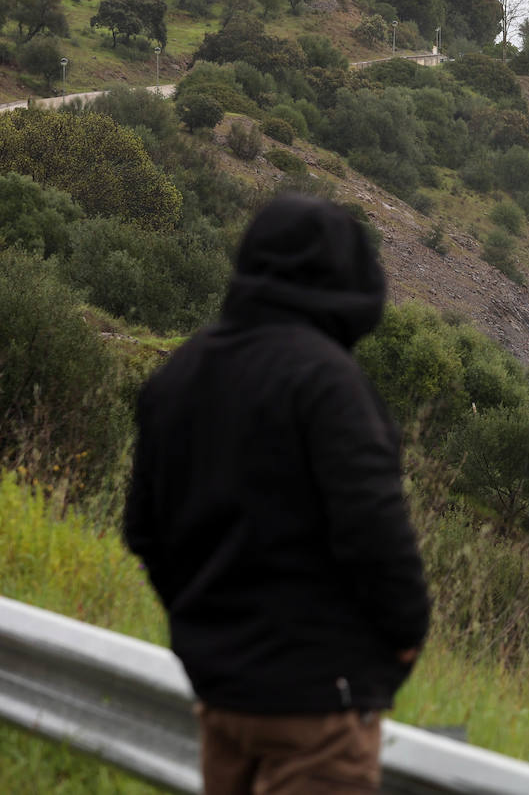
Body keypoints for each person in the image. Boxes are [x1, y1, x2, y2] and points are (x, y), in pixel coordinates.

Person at [126, 194, 431, 794]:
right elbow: (373, 528)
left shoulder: (181, 372)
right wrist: (405, 635)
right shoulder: (327, 381)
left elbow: (143, 529)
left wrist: (205, 626)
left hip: (223, 698)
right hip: (317, 705)